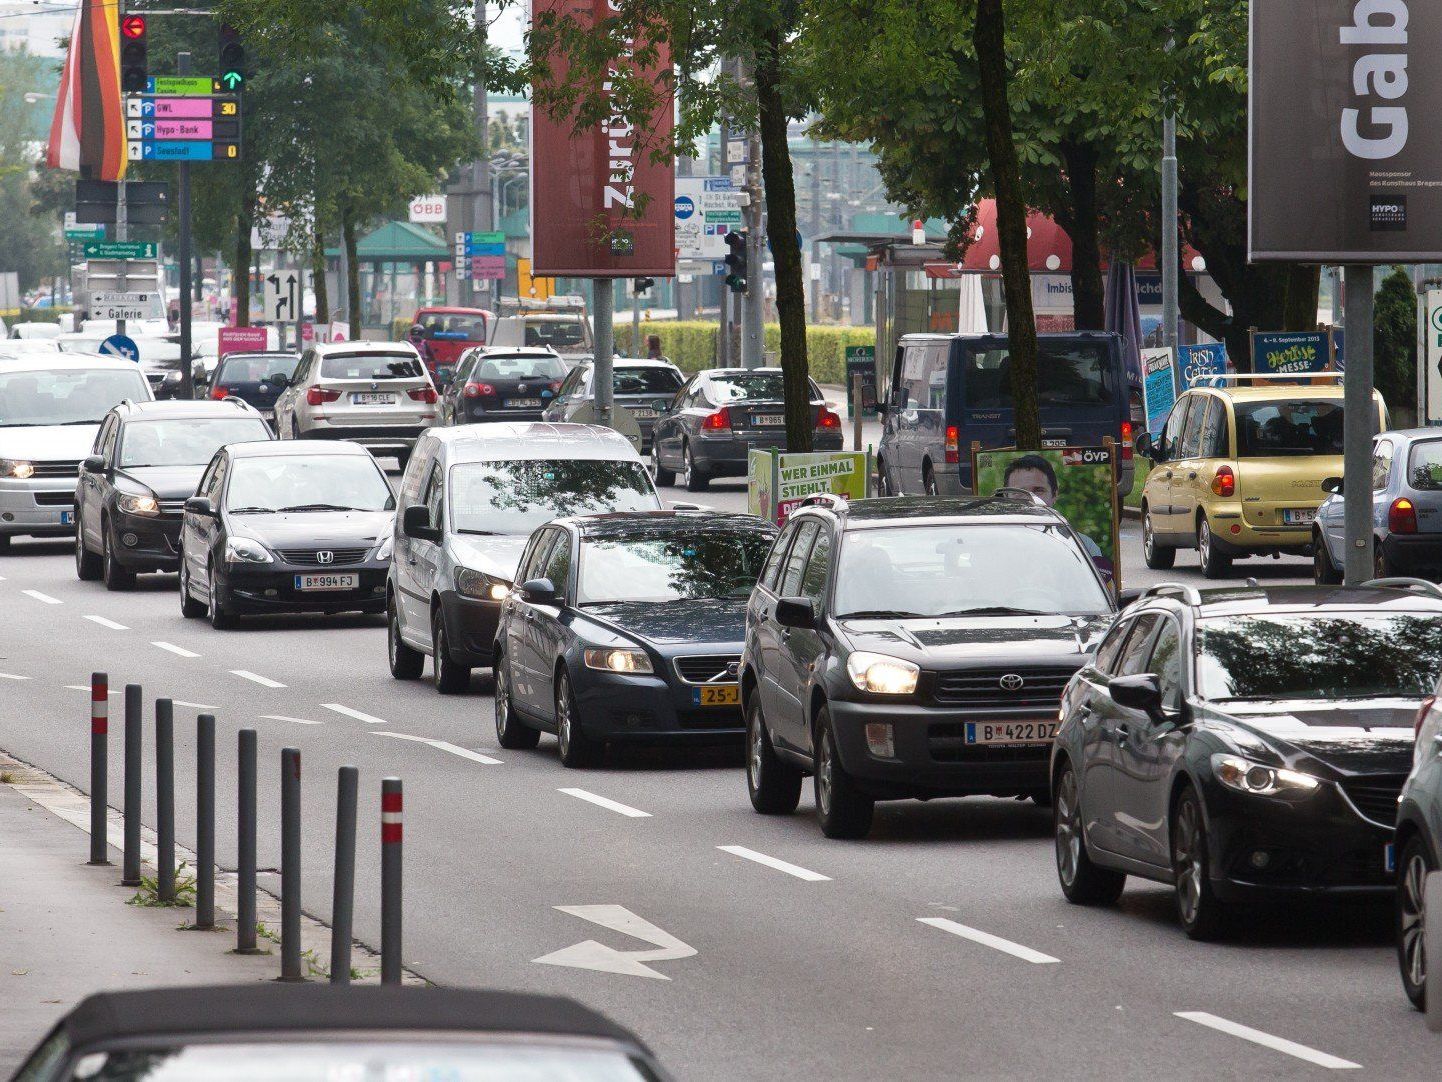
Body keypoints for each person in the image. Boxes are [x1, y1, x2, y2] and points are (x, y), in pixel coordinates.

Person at [1001, 453, 1112, 580]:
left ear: (1054, 495)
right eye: (1019, 492)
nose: (1030, 499)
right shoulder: (992, 547)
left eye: (1038, 490)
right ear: (1006, 497)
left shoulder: (1084, 546)